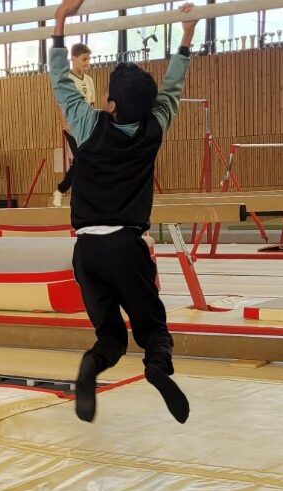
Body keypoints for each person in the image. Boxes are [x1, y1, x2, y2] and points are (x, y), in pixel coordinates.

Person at [51, 0, 196, 423]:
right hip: (126, 248)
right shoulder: (155, 127)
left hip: (87, 253)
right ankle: (156, 366)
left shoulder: (88, 123)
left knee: (110, 335)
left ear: (110, 105)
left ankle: (92, 367)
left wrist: (60, 21)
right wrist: (185, 37)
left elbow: (59, 80)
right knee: (153, 330)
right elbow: (173, 88)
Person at [53, 42, 96, 208]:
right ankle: (78, 194)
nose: (87, 63)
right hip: (72, 126)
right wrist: (65, 124)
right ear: (73, 59)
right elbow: (60, 104)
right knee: (83, 158)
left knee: (83, 160)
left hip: (86, 126)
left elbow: (91, 104)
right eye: (84, 59)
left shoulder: (89, 80)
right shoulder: (67, 80)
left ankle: (63, 189)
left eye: (88, 59)